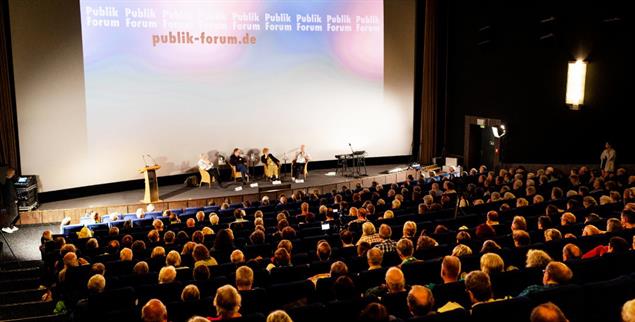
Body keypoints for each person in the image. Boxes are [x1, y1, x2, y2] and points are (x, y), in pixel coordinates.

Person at [1, 167, 19, 233]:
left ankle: (11, 226)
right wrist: (15, 199)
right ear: (10, 173)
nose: (14, 174)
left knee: (14, 214)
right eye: (13, 172)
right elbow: (11, 193)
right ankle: (5, 227)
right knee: (13, 214)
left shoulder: (7, 180)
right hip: (10, 201)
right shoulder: (8, 182)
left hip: (9, 201)